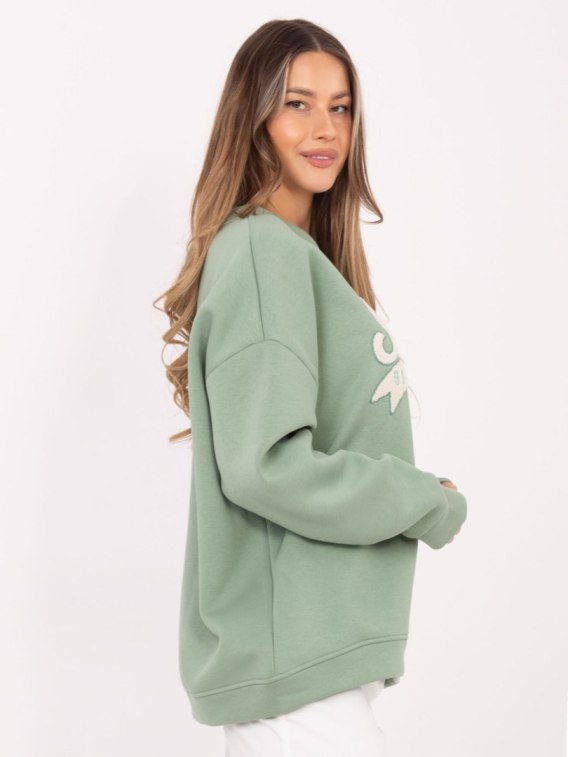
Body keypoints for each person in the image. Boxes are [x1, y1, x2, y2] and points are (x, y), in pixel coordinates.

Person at [155, 18, 467, 757]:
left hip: (312, 675)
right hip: (296, 683)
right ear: (253, 116)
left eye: (341, 107)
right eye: (297, 104)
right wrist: (421, 498)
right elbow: (266, 466)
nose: (326, 128)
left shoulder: (291, 255)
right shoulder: (263, 252)